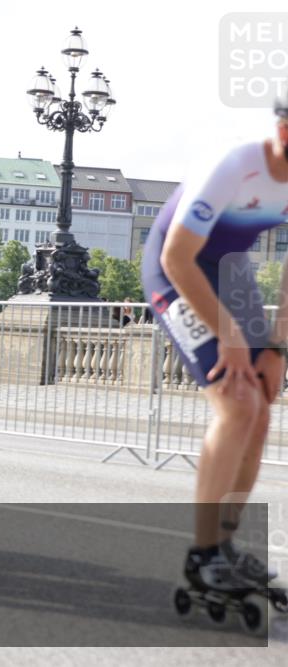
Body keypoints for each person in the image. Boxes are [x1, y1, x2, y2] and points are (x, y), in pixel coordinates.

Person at [142, 96, 288, 597]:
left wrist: (277, 348)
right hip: (176, 268)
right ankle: (202, 556)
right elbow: (177, 257)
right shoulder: (235, 165)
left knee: (261, 411)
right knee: (237, 402)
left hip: (231, 271)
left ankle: (223, 546)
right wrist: (228, 337)